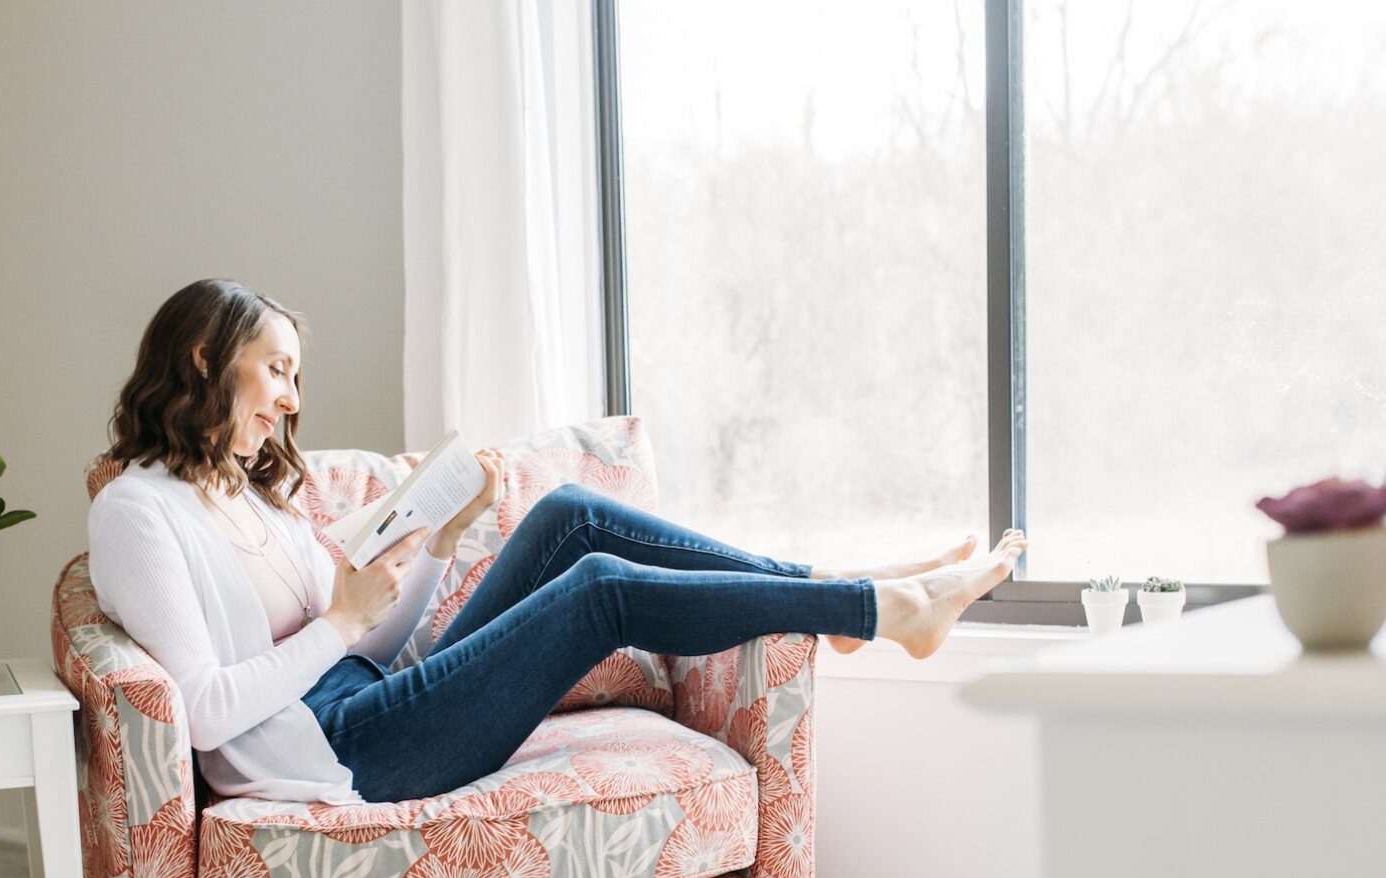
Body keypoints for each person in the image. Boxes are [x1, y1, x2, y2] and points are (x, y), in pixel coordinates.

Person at [88, 278, 1026, 806]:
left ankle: (838, 593)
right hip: (343, 755)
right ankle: (876, 607)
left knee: (568, 515)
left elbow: (379, 644)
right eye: (277, 371)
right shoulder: (136, 512)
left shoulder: (253, 497)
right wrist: (335, 625)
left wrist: (443, 539)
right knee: (599, 589)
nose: (293, 400)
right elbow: (203, 713)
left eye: (296, 376)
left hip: (379, 700)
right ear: (207, 359)